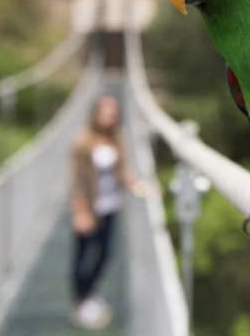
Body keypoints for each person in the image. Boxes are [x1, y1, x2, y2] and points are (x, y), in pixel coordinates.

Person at [69, 94, 147, 329]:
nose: (110, 115)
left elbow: (121, 171)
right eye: (106, 111)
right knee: (83, 256)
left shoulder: (117, 139)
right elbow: (77, 181)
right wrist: (80, 211)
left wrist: (137, 185)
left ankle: (89, 295)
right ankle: (80, 301)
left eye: (113, 111)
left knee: (104, 254)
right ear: (96, 113)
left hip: (110, 206)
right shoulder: (83, 142)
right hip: (89, 208)